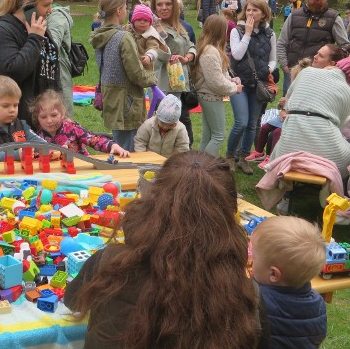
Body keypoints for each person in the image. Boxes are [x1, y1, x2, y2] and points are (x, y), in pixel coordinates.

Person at [64, 151, 269, 349]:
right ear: (228, 217)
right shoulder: (244, 291)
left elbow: (72, 301)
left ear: (152, 203)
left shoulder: (112, 261)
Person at [0, 0, 61, 123]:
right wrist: (34, 39)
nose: (50, 10)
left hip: (45, 119)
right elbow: (12, 72)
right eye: (46, 5)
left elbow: (52, 67)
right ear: (29, 6)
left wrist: (58, 106)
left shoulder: (39, 27)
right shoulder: (3, 30)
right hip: (16, 120)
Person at [91, 0, 157, 152]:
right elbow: (136, 74)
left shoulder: (100, 35)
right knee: (129, 151)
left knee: (120, 145)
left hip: (111, 99)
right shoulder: (123, 37)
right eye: (126, 7)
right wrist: (152, 79)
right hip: (127, 102)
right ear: (119, 10)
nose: (127, 11)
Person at [250, 216, 327, 348]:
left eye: (254, 258)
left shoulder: (255, 300)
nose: (251, 261)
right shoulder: (318, 303)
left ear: (274, 274)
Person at [269, 60, 350, 177]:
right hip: (328, 154)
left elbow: (287, 102)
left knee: (280, 142)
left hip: (287, 149)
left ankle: (285, 187)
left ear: (334, 65)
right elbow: (340, 124)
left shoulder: (305, 73)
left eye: (321, 56)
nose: (316, 57)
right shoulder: (346, 90)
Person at [226, 0, 277, 174]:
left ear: (263, 14)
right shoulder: (236, 31)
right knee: (241, 122)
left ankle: (244, 156)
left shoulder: (270, 34)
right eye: (248, 9)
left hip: (258, 84)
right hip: (239, 83)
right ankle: (230, 156)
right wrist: (247, 33)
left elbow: (273, 60)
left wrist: (267, 70)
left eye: (255, 10)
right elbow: (237, 56)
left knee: (253, 124)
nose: (250, 13)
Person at [276, 0, 349, 95]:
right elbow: (282, 42)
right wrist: (285, 66)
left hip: (319, 75)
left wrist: (333, 67)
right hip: (293, 71)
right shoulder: (294, 15)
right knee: (288, 107)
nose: (317, 1)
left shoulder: (334, 18)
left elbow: (345, 47)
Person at [150, 0, 197, 145]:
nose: (164, 8)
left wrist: (187, 57)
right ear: (154, 7)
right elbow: (161, 55)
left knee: (183, 122)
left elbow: (191, 45)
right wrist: (160, 33)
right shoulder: (152, 28)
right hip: (164, 85)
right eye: (160, 4)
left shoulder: (179, 27)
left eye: (168, 4)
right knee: (166, 124)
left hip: (180, 82)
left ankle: (184, 157)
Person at [192, 15, 243, 156]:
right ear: (220, 31)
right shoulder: (210, 52)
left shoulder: (211, 49)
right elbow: (216, 83)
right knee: (219, 135)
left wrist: (232, 80)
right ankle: (207, 169)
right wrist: (235, 88)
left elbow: (219, 75)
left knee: (208, 136)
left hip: (208, 95)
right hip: (210, 97)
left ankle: (198, 168)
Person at [248, 58, 312, 168]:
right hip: (286, 116)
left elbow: (304, 110)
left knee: (277, 133)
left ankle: (271, 158)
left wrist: (288, 112)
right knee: (265, 127)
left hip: (296, 119)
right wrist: (283, 108)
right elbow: (285, 106)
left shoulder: (309, 92)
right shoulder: (294, 89)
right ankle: (259, 153)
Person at [31, 89, 129, 157]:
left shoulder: (72, 128)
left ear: (62, 113)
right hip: (56, 176)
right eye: (43, 117)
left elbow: (93, 140)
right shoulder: (38, 136)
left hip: (81, 170)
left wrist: (112, 145)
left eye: (53, 115)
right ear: (37, 117)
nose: (49, 120)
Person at [0, 75, 45, 162]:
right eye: (5, 106)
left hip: (20, 172)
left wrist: (51, 150)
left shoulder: (21, 125)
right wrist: (17, 155)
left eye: (15, 105)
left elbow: (38, 143)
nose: (12, 110)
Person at [48, 4, 75, 116]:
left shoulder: (56, 18)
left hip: (59, 67)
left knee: (62, 110)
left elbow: (52, 46)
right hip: (52, 67)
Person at [128, 4, 169, 71]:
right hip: (128, 64)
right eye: (139, 20)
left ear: (150, 23)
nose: (142, 22)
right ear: (133, 21)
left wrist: (149, 56)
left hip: (143, 67)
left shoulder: (151, 35)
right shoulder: (128, 29)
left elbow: (153, 47)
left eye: (146, 20)